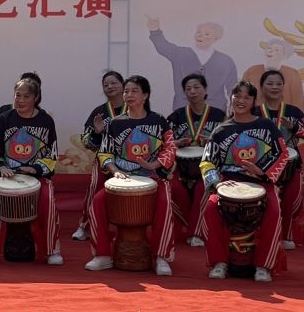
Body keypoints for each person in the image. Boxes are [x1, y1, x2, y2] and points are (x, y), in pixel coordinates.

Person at [85, 75, 177, 274]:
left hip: (152, 178)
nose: (129, 95)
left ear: (145, 95)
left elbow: (170, 147)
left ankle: (161, 257)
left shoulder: (159, 120)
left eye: (135, 91)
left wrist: (153, 164)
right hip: (123, 179)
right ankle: (102, 255)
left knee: (165, 203)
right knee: (97, 202)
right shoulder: (115, 123)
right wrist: (115, 171)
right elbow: (105, 153)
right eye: (126, 91)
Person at [199, 81, 288, 283]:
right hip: (229, 183)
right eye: (237, 96)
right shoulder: (220, 130)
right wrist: (217, 184)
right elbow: (207, 162)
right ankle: (219, 262)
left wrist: (262, 172)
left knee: (274, 210)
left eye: (246, 97)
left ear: (254, 101)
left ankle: (264, 266)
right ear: (231, 99)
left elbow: (282, 154)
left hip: (262, 182)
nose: (241, 101)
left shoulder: (266, 126)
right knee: (210, 208)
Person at [0, 76, 63, 265]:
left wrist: (36, 168)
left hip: (37, 177)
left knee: (48, 201)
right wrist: (1, 166)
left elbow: (52, 155)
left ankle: (52, 250)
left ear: (36, 98)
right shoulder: (4, 119)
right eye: (17, 95)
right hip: (8, 175)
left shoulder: (46, 121)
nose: (20, 100)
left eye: (26, 97)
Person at [257, 68, 304, 250]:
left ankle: (286, 236)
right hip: (263, 167)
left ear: (284, 87)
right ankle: (265, 236)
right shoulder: (255, 113)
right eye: (270, 83)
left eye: (279, 83)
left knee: (290, 201)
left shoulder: (293, 112)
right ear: (261, 87)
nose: (274, 87)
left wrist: (294, 128)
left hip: (292, 166)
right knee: (263, 202)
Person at [167, 73, 226, 251]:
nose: (192, 91)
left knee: (205, 188)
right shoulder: (176, 116)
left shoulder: (219, 116)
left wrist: (211, 141)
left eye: (197, 87)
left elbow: (227, 143)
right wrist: (176, 143)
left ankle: (195, 233)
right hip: (180, 167)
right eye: (188, 88)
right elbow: (164, 143)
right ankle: (192, 224)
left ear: (205, 89)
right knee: (173, 189)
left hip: (210, 166)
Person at [73, 71, 127, 243]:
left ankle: (126, 230)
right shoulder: (99, 112)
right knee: (95, 187)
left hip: (131, 161)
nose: (110, 87)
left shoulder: (134, 109)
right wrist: (96, 134)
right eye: (106, 85)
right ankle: (84, 226)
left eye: (114, 83)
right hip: (105, 159)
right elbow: (86, 142)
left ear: (123, 85)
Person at [146, 18, 237, 110]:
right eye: (198, 32)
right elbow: (163, 47)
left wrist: (234, 108)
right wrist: (155, 30)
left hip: (215, 110)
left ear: (216, 38)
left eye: (207, 34)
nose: (200, 36)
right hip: (183, 110)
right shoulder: (180, 53)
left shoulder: (226, 61)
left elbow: (233, 88)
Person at [241, 40, 304, 109]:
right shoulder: (252, 71)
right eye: (269, 48)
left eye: (276, 50)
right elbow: (242, 95)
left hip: (284, 114)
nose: (270, 51)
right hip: (255, 114)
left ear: (284, 55)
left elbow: (298, 101)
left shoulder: (292, 74)